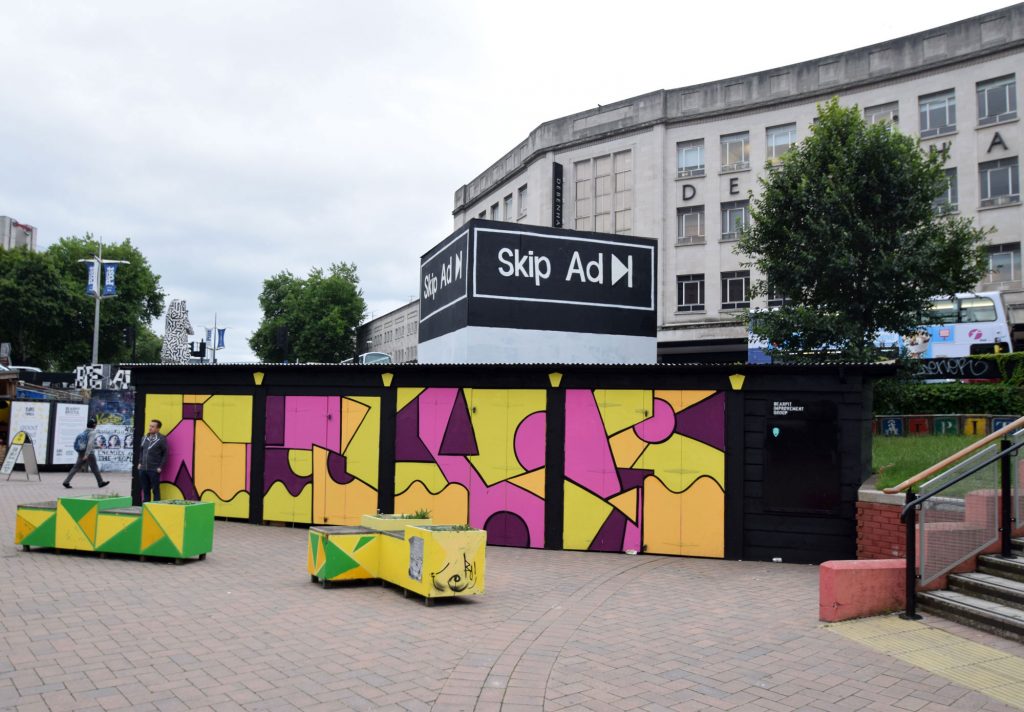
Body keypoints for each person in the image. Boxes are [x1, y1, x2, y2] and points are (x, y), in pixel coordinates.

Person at [63, 418, 109, 488]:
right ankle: (100, 482)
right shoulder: (93, 432)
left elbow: (86, 443)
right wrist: (86, 455)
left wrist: (97, 446)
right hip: (89, 453)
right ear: (94, 425)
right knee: (95, 468)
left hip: (81, 452)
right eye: (96, 424)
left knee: (75, 468)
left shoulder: (84, 432)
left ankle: (66, 482)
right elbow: (90, 444)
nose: (96, 425)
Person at [137, 419, 168, 503]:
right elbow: (141, 451)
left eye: (152, 426)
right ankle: (146, 507)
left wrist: (160, 466)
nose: (150, 428)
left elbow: (165, 454)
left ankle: (156, 507)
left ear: (158, 429)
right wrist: (140, 462)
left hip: (154, 469)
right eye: (150, 426)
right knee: (145, 489)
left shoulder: (161, 439)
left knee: (155, 490)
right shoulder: (144, 437)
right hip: (143, 468)